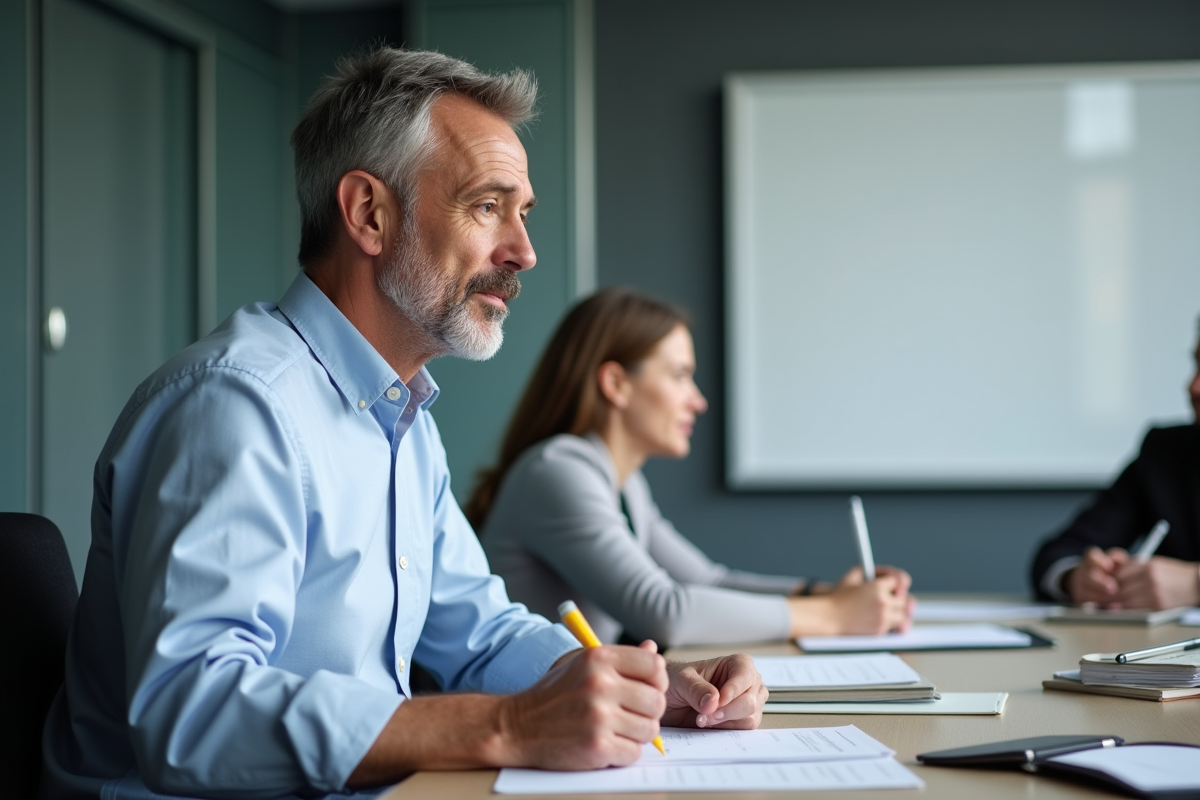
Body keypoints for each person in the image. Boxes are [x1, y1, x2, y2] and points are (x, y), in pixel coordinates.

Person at [41, 48, 766, 800]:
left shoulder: (402, 417)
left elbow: (480, 634)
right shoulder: (237, 405)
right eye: (489, 206)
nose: (523, 251)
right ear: (369, 214)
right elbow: (192, 716)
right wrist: (508, 727)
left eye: (522, 213)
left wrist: (639, 687)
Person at [467, 288, 915, 648]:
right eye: (680, 375)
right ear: (616, 384)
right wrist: (836, 616)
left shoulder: (623, 483)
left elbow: (707, 581)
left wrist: (822, 594)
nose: (697, 400)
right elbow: (665, 613)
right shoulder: (559, 471)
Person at [1031, 323, 1200, 609]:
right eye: (1195, 363)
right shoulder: (1166, 453)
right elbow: (1059, 554)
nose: (1193, 386)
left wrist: (1196, 584)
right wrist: (1080, 579)